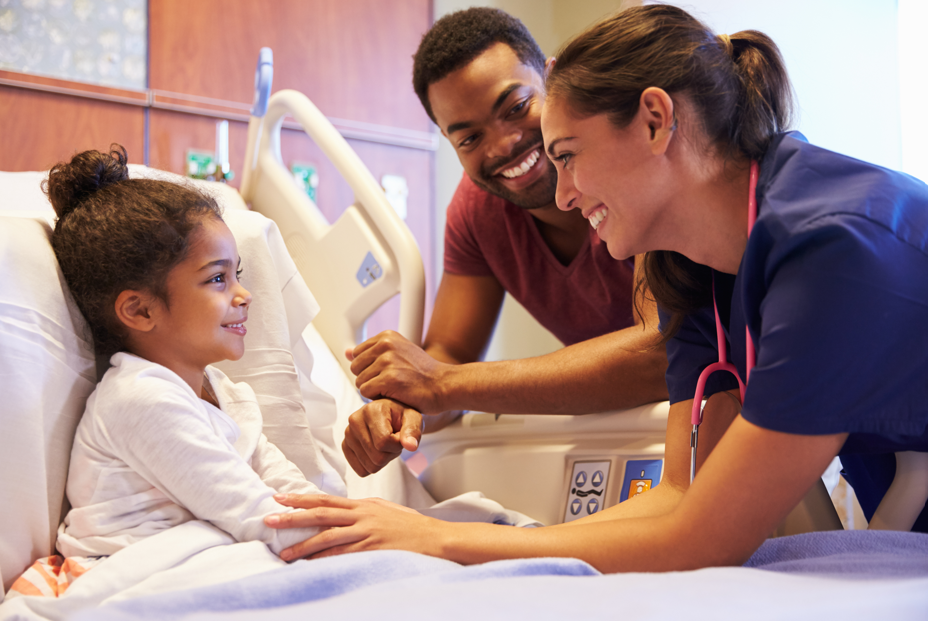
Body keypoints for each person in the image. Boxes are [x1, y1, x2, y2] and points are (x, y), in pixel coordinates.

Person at [267, 4, 928, 570]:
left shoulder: (832, 249)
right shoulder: (697, 267)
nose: (562, 191)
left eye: (568, 155)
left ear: (653, 120)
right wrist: (486, 537)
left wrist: (441, 539)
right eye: (467, 136)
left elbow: (704, 535)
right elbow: (679, 497)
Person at [341, 7, 668, 477]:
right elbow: (449, 352)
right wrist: (403, 406)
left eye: (516, 107)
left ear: (551, 78)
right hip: (634, 432)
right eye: (469, 137)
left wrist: (441, 383)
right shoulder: (477, 214)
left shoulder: (632, 162)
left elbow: (658, 353)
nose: (502, 145)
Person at [10, 146, 333, 597]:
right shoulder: (139, 400)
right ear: (140, 310)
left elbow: (293, 497)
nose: (244, 295)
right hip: (133, 575)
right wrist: (383, 546)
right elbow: (263, 518)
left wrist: (366, 521)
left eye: (236, 274)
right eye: (218, 279)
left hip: (201, 560)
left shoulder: (225, 393)